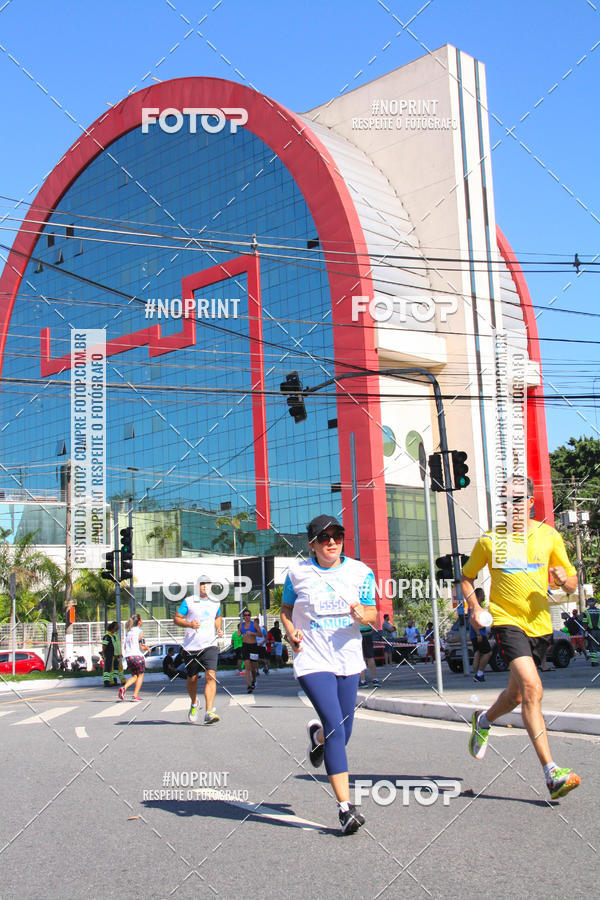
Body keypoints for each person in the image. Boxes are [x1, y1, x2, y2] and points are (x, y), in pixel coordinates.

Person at [462, 476, 581, 799]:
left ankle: (483, 720)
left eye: (518, 499)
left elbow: (570, 583)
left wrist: (562, 580)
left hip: (540, 625)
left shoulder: (549, 536)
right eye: (506, 500)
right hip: (506, 621)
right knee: (532, 689)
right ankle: (551, 772)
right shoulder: (490, 540)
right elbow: (467, 576)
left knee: (516, 696)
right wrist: (474, 607)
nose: (511, 506)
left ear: (529, 502)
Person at [280, 514, 377, 835]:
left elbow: (372, 612)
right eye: (324, 538)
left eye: (337, 536)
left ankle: (317, 738)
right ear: (312, 544)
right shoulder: (297, 574)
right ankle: (345, 808)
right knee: (336, 728)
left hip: (348, 659)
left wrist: (364, 615)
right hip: (312, 660)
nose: (332, 542)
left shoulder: (361, 572)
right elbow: (285, 610)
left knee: (343, 733)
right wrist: (292, 632)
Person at [173, 575, 223, 725]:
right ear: (198, 586)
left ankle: (209, 712)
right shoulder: (189, 601)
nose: (205, 586)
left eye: (207, 584)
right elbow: (177, 618)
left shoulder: (216, 602)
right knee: (192, 679)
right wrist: (189, 624)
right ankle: (194, 703)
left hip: (210, 645)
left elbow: (217, 617)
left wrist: (218, 627)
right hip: (191, 647)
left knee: (211, 676)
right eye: (202, 584)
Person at [118, 614, 149, 702]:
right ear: (139, 622)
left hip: (129, 657)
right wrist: (147, 648)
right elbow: (141, 646)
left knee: (134, 676)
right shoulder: (140, 632)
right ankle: (135, 695)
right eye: (142, 620)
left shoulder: (129, 632)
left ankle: (124, 688)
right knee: (140, 675)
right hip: (138, 656)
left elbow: (124, 646)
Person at [470, 588, 492, 683]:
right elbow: (474, 620)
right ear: (479, 596)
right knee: (488, 652)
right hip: (478, 634)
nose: (484, 596)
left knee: (478, 653)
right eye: (483, 594)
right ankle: (479, 674)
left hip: (476, 634)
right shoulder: (475, 607)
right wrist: (479, 633)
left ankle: (476, 675)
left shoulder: (473, 606)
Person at [240, 608, 260, 692]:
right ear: (243, 617)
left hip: (253, 646)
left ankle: (254, 680)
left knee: (253, 667)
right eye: (245, 615)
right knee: (247, 666)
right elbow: (239, 633)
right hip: (245, 646)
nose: (247, 617)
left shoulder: (254, 624)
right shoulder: (241, 625)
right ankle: (248, 686)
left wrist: (252, 633)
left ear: (250, 616)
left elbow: (260, 634)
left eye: (248, 615)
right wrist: (239, 633)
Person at [581, 598, 600, 667]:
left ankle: (594, 662)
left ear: (588, 603)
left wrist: (583, 634)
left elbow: (585, 624)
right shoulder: (599, 611)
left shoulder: (586, 612)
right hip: (599, 631)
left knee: (593, 646)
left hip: (591, 632)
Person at [101, 621, 120, 687]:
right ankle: (106, 682)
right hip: (108, 654)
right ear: (113, 628)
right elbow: (104, 646)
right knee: (107, 668)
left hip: (113, 654)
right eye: (116, 626)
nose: (118, 627)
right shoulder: (107, 636)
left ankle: (114, 681)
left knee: (114, 668)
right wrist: (103, 653)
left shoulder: (113, 636)